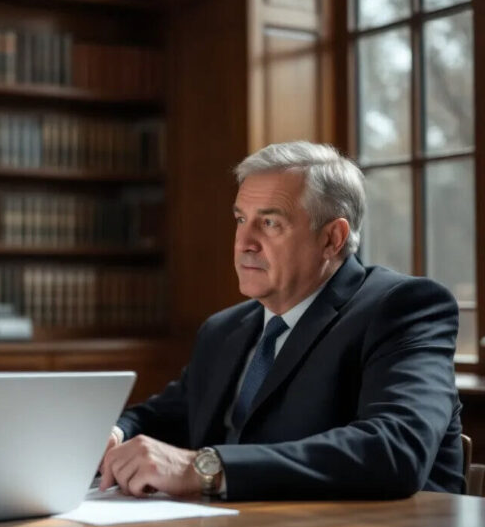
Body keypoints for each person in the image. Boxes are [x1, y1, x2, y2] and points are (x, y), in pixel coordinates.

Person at [100, 141, 464, 500]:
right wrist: (116, 433)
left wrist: (204, 468)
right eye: (241, 219)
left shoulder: (403, 308)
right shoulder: (224, 330)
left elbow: (395, 449)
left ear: (332, 238)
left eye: (270, 223)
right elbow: (169, 414)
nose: (244, 242)